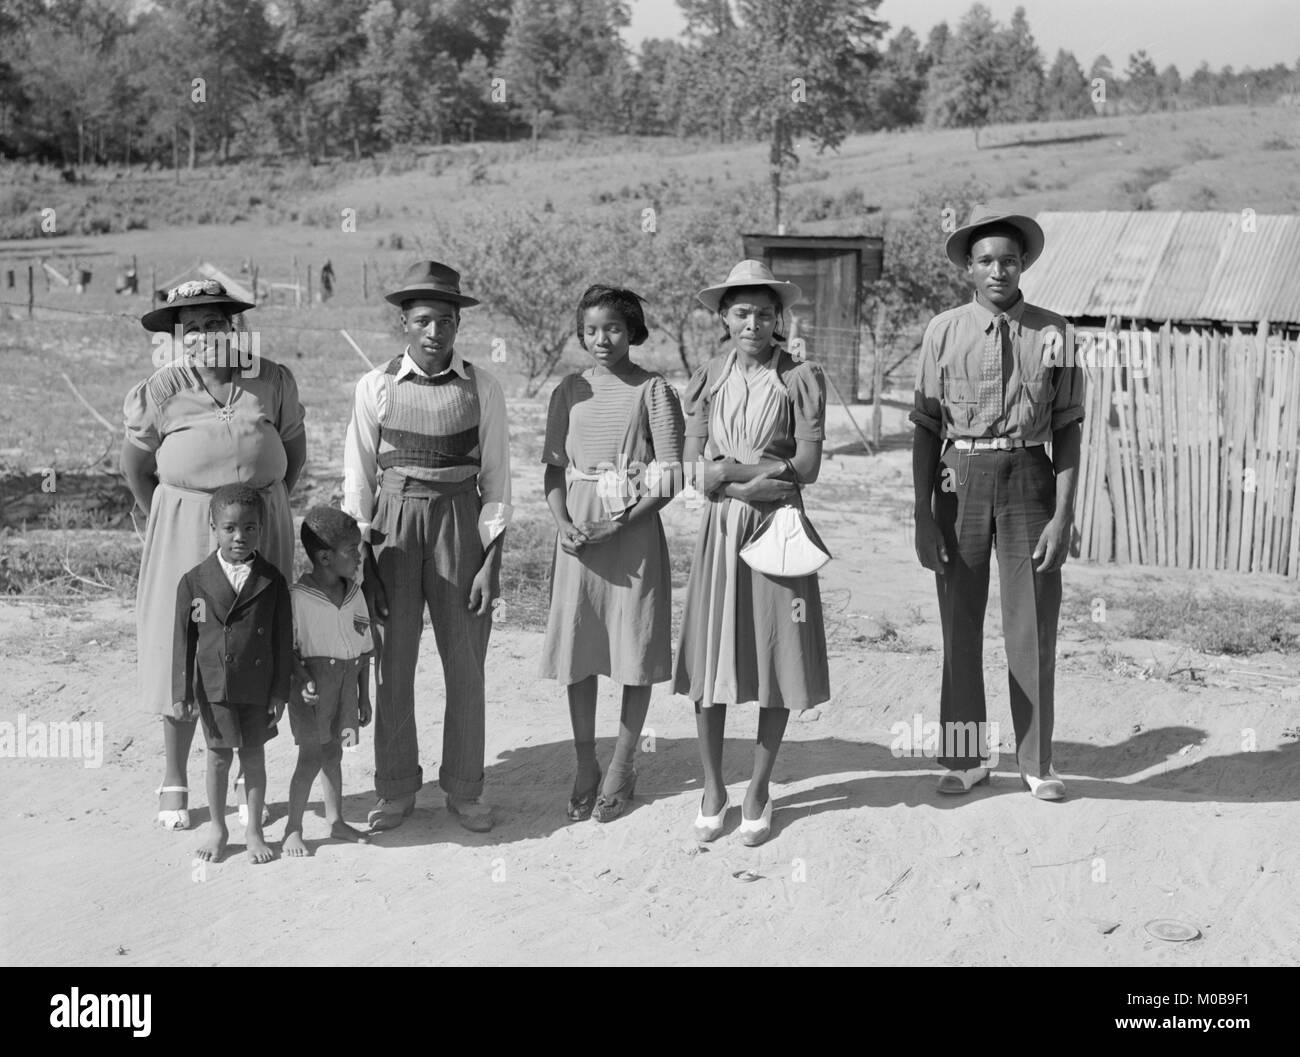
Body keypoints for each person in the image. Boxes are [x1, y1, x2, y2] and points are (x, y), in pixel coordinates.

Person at [910, 206, 1085, 801]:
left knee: (1032, 624)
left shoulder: (1054, 332)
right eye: (985, 260)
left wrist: (1063, 516)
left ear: (1023, 265)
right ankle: (965, 760)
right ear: (968, 268)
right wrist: (919, 513)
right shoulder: (942, 330)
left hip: (1029, 478)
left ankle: (1036, 763)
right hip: (958, 479)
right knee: (959, 625)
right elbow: (926, 427)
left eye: (1009, 260)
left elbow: (1067, 427)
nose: (998, 270)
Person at [122, 279, 305, 831]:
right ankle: (175, 779)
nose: (205, 335)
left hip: (258, 527)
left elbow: (292, 456)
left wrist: (260, 508)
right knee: (181, 645)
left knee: (254, 644)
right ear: (178, 336)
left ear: (236, 326)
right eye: (192, 327)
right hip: (184, 530)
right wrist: (174, 515)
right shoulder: (160, 391)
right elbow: (136, 468)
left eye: (216, 322)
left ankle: (251, 780)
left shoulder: (271, 380)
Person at [342, 260, 511, 833]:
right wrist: (362, 554)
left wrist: (491, 561)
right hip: (393, 529)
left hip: (460, 523)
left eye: (446, 320)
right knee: (393, 661)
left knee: (465, 662)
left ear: (459, 322)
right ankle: (395, 790)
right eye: (423, 321)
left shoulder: (482, 386)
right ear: (404, 325)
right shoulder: (376, 385)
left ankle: (464, 788)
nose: (435, 332)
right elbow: (357, 479)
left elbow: (498, 481)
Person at [674, 260, 830, 848]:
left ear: (778, 319)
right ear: (723, 316)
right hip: (721, 529)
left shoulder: (800, 376)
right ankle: (713, 788)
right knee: (711, 659)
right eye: (742, 312)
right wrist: (746, 482)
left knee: (775, 657)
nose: (754, 323)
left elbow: (808, 468)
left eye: (765, 313)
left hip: (778, 531)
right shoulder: (708, 375)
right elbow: (693, 468)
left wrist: (730, 472)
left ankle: (758, 789)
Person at [541, 285, 684, 822]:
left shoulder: (654, 391)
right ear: (581, 333)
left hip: (633, 531)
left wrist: (618, 522)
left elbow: (669, 479)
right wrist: (562, 523)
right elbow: (554, 470)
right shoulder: (568, 390)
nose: (602, 339)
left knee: (633, 650)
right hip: (577, 531)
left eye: (615, 329)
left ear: (633, 332)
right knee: (579, 652)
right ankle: (585, 763)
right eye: (592, 329)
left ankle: (623, 765)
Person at [173, 484, 292, 864]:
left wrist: (280, 692)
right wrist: (182, 692)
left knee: (254, 757)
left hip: (258, 686)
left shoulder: (272, 581)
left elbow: (282, 639)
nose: (240, 537)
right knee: (219, 757)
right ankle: (218, 829)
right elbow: (184, 642)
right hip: (215, 686)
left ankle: (254, 831)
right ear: (213, 527)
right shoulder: (194, 582)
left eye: (250, 528)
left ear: (262, 528)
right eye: (230, 529)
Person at [283, 506, 375, 856]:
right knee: (310, 757)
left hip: (346, 685)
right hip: (313, 691)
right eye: (351, 551)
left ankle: (335, 821)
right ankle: (293, 828)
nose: (358, 557)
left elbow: (365, 648)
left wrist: (363, 697)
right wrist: (302, 677)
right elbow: (288, 649)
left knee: (333, 753)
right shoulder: (298, 598)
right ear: (324, 557)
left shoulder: (355, 593)